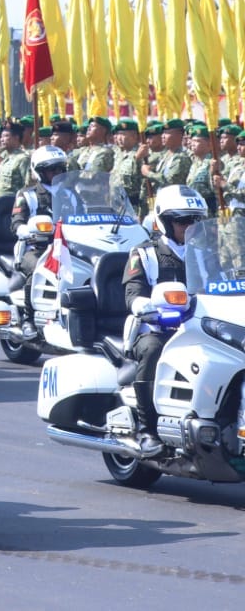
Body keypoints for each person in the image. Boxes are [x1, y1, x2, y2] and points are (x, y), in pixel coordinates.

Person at [122, 185, 206, 456]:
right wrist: (142, 305)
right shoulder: (144, 253)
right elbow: (133, 290)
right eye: (182, 221)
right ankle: (147, 430)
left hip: (199, 327)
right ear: (165, 221)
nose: (189, 226)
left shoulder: (205, 253)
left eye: (195, 220)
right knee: (153, 350)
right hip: (156, 327)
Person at [11, 145, 68, 339]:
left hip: (67, 247)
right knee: (38, 271)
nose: (57, 173)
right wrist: (29, 230)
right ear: (40, 171)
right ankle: (28, 319)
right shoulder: (27, 195)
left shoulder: (71, 193)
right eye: (52, 169)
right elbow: (16, 223)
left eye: (61, 169)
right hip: (36, 248)